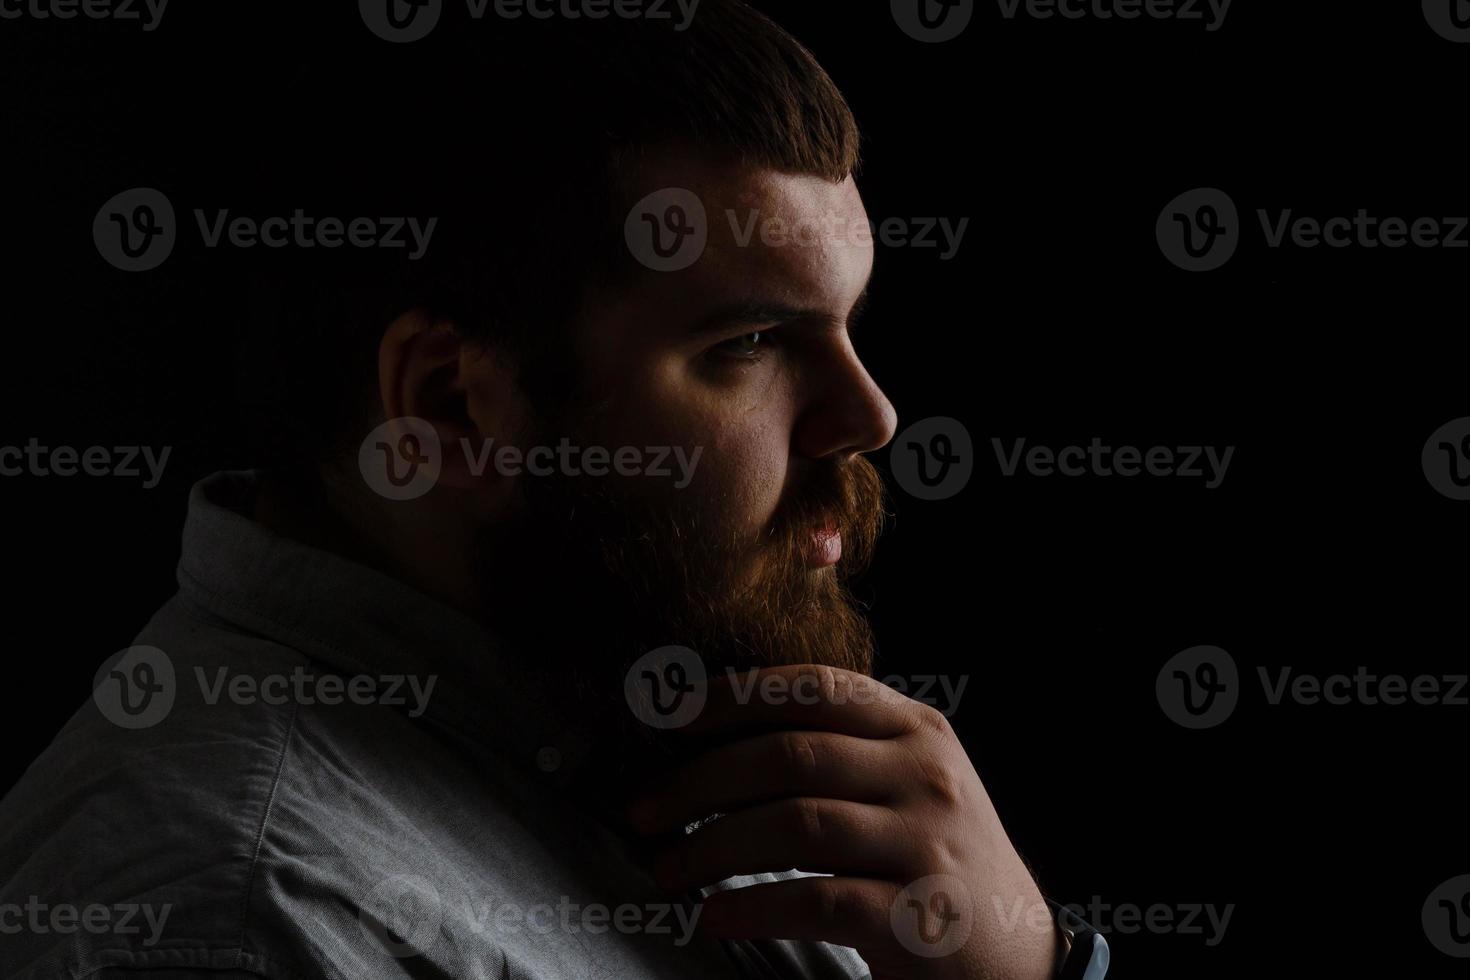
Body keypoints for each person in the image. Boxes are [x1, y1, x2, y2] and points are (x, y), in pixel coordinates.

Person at [0, 3, 1105, 977]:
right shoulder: (242, 916)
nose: (869, 417)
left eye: (849, 326)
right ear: (451, 405)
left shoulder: (631, 685)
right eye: (753, 341)